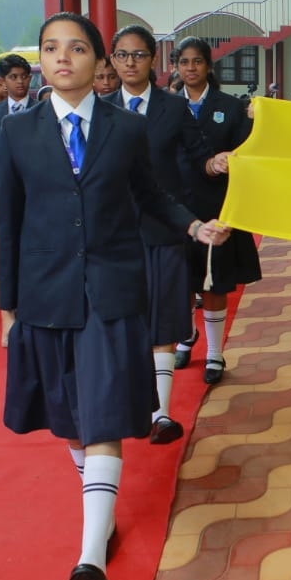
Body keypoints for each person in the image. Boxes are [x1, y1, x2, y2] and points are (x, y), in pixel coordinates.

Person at [0, 12, 227, 580]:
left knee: (99, 415)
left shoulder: (126, 130)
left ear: (98, 61)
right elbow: (11, 225)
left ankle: (88, 559)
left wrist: (193, 224)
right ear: (41, 61)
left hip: (111, 292)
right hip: (47, 296)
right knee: (71, 420)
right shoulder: (15, 135)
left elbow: (152, 194)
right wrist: (6, 309)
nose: (61, 58)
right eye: (50, 49)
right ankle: (102, 527)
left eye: (75, 48)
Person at [101, 25, 214, 444]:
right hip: (115, 233)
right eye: (123, 55)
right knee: (124, 320)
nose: (130, 63)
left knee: (165, 322)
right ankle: (127, 404)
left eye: (139, 55)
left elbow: (199, 155)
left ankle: (161, 415)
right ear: (111, 60)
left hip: (165, 229)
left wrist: (219, 163)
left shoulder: (172, 108)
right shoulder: (99, 108)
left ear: (153, 60)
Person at [170, 37, 262, 384]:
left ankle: (213, 353)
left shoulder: (231, 106)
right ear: (176, 67)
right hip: (175, 206)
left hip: (218, 206)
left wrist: (255, 124)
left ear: (209, 66)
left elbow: (246, 150)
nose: (190, 68)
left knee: (214, 281)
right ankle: (184, 337)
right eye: (184, 62)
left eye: (197, 62)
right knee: (178, 281)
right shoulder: (165, 106)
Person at [0, 54, 33, 217]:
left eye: (24, 77)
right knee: (8, 233)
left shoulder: (44, 110)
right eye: (13, 77)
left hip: (37, 186)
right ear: (2, 81)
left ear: (30, 78)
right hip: (4, 187)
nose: (20, 81)